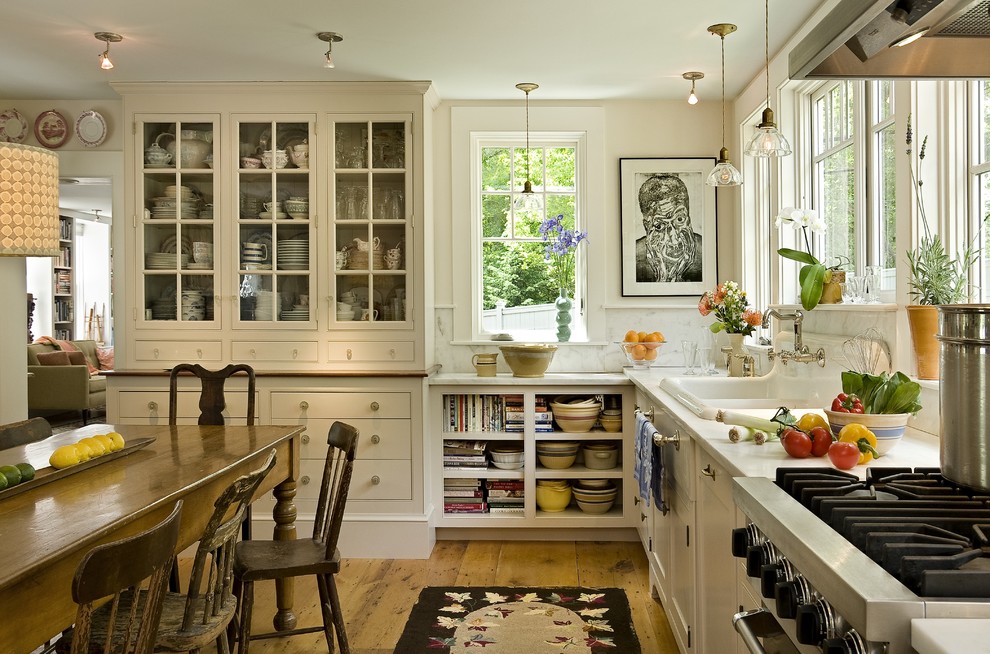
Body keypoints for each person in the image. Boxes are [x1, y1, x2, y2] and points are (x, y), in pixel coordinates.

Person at [634, 174, 702, 283]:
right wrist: (664, 278)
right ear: (647, 228)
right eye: (659, 226)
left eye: (679, 219)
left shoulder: (705, 253)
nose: (674, 239)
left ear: (688, 218)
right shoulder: (633, 258)